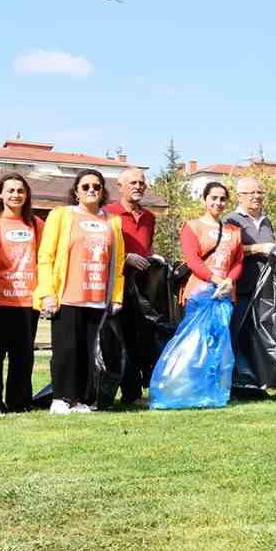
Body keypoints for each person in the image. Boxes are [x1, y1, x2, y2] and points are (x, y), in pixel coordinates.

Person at [36, 169, 127, 415]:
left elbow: (118, 263)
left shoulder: (113, 222)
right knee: (66, 349)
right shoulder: (61, 216)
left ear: (102, 191)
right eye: (85, 186)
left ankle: (81, 400)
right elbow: (46, 256)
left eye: (96, 186)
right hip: (67, 295)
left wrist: (116, 296)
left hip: (98, 297)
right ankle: (61, 398)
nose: (91, 190)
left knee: (89, 350)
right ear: (76, 190)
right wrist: (47, 292)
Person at [0, 173, 42, 414]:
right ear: (1, 194)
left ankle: (20, 402)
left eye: (21, 191)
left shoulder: (36, 224)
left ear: (27, 196)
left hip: (27, 301)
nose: (16, 195)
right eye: (11, 190)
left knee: (23, 357)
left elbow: (45, 259)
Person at [104, 166, 158, 405]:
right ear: (120, 186)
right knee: (117, 339)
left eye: (141, 183)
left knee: (139, 339)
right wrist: (125, 258)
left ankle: (133, 394)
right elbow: (100, 248)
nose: (138, 186)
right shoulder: (107, 214)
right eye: (133, 182)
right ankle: (111, 390)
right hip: (115, 285)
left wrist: (154, 258)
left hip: (143, 288)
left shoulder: (149, 217)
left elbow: (148, 247)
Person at [180, 183, 244, 306]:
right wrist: (218, 281)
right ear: (204, 200)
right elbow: (193, 260)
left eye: (223, 199)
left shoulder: (235, 231)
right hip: (199, 293)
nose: (218, 202)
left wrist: (229, 281)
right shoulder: (192, 226)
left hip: (225, 294)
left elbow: (238, 261)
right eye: (213, 198)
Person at [224, 177, 276, 305]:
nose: (257, 196)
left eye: (259, 192)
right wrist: (258, 248)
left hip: (265, 289)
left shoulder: (266, 221)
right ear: (239, 196)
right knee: (240, 324)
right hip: (241, 290)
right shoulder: (231, 220)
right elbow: (227, 251)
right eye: (252, 193)